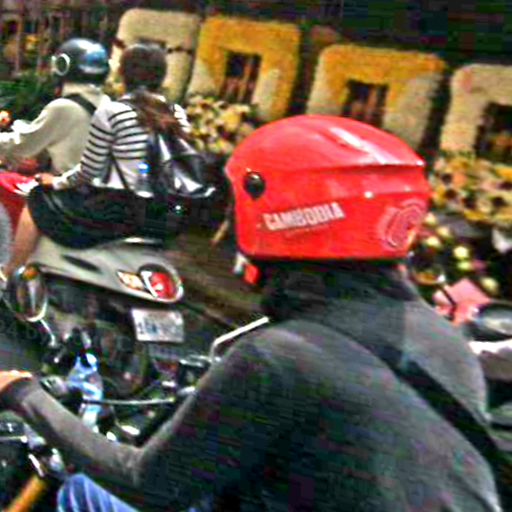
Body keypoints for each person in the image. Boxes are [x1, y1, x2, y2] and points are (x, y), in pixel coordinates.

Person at [0, 115, 502, 512]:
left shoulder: (280, 357)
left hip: (99, 217)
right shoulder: (442, 337)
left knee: (84, 492)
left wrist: (23, 393)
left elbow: (148, 484)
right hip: (136, 227)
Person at [1, 42, 191, 277]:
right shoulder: (175, 112)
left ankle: (11, 273)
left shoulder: (112, 110)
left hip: (111, 205)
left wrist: (55, 182)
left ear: (121, 73)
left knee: (37, 198)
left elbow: (90, 168)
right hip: (161, 210)